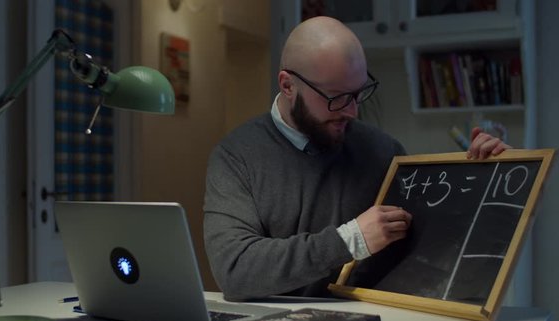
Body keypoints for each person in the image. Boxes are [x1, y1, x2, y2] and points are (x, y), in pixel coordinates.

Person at [203, 16, 510, 301]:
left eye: (359, 93)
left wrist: (483, 177)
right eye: (336, 97)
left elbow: (434, 247)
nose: (352, 111)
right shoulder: (236, 157)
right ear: (287, 85)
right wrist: (349, 241)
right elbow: (235, 270)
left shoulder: (383, 150)